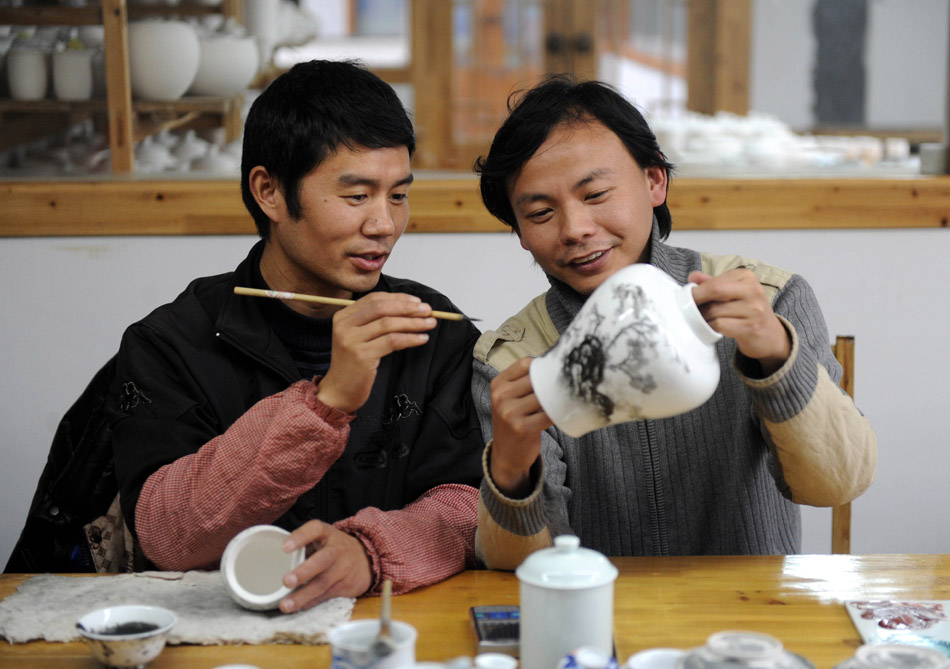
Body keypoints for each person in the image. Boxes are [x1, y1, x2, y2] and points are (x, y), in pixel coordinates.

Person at [21, 60, 483, 610]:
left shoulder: (427, 326)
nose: (384, 224)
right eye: (357, 196)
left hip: (388, 625)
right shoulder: (171, 343)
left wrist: (368, 552)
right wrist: (328, 401)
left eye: (399, 195)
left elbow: (464, 503)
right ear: (269, 191)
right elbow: (167, 535)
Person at [471, 75, 877, 568]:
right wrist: (511, 468)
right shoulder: (513, 359)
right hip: (599, 625)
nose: (576, 229)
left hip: (751, 620)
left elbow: (836, 485)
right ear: (519, 233)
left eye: (596, 194)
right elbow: (516, 568)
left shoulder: (767, 300)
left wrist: (775, 353)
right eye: (539, 212)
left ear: (654, 181)